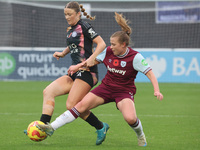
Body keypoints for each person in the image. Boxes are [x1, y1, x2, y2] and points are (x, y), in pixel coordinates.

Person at [36, 12, 164, 147]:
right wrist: (77, 66)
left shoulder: (135, 57)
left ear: (124, 45)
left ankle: (140, 135)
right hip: (106, 88)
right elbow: (90, 61)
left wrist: (157, 90)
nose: (111, 46)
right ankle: (52, 127)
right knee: (79, 106)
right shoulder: (108, 51)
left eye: (114, 44)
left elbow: (150, 73)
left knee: (130, 118)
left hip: (124, 92)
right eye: (111, 44)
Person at [24, 1, 109, 145]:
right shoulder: (71, 28)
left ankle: (101, 127)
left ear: (78, 14)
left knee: (72, 105)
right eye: (65, 14)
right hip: (75, 72)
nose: (67, 17)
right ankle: (42, 126)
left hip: (88, 72)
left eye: (70, 14)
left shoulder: (84, 26)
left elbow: (102, 44)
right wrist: (63, 53)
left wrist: (89, 61)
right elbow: (74, 45)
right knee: (48, 91)